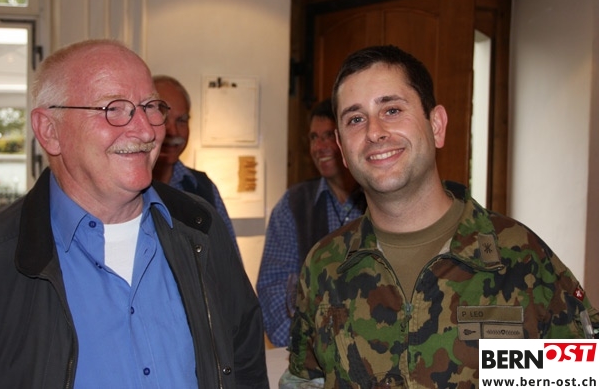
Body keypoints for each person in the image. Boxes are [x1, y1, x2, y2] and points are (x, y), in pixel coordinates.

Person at [281, 45, 599, 388]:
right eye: (355, 119)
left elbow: (582, 378)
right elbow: (304, 381)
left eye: (392, 110)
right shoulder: (325, 267)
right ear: (343, 149)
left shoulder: (520, 258)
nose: (374, 132)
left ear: (436, 126)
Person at [0, 39, 269, 389]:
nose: (146, 130)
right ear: (50, 130)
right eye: (114, 109)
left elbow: (244, 358)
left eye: (150, 107)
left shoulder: (200, 227)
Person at [257, 99, 366, 347]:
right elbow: (273, 288)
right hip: (312, 355)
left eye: (328, 136)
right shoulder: (293, 205)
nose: (319, 147)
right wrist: (307, 347)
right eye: (314, 138)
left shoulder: (381, 199)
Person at [151, 75, 239, 250]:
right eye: (163, 118)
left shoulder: (203, 188)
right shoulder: (123, 187)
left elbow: (228, 258)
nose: (173, 131)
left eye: (181, 120)